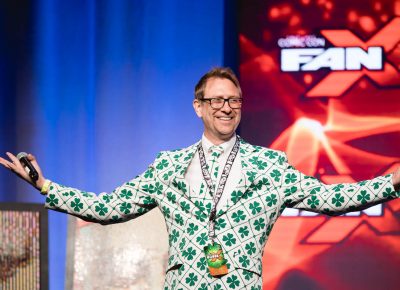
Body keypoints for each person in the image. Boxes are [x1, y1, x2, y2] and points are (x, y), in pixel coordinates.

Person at [1, 67, 399, 290]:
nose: (226, 108)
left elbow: (331, 198)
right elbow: (109, 208)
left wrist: (392, 182)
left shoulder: (270, 166)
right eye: (217, 100)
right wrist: (45, 186)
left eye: (234, 100)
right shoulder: (168, 166)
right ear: (198, 107)